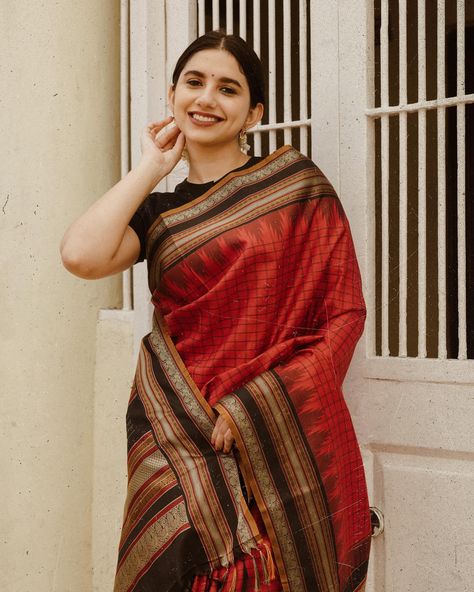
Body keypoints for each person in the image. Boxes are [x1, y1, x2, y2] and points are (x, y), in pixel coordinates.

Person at [60, 30, 371, 592]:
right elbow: (81, 256)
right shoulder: (157, 213)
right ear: (174, 95)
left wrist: (257, 406)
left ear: (253, 113)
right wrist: (152, 167)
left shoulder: (297, 186)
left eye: (228, 89)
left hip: (265, 429)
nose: (206, 99)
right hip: (176, 429)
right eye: (194, 83)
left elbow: (343, 315)